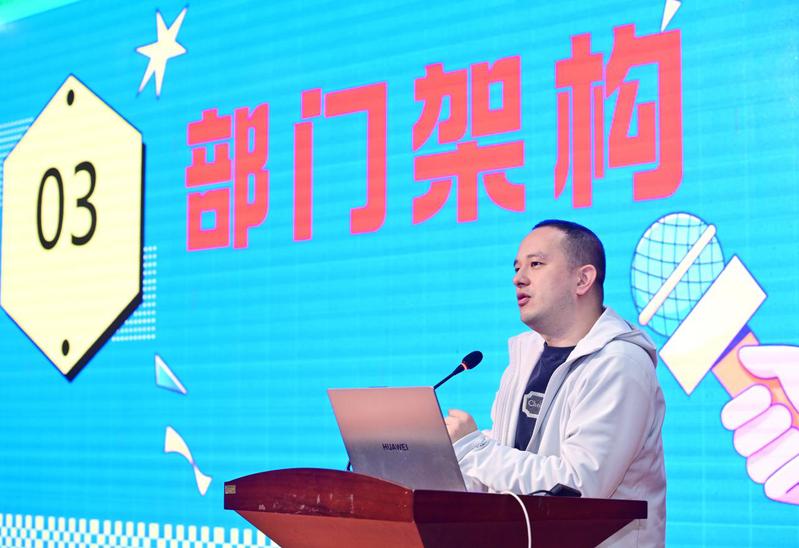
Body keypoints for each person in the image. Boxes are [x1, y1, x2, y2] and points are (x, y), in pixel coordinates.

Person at [445, 219, 666, 547]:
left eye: (535, 264)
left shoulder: (621, 363)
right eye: (517, 267)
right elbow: (506, 470)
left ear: (583, 279)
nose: (519, 278)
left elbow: (577, 488)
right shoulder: (524, 358)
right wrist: (443, 463)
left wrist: (473, 450)